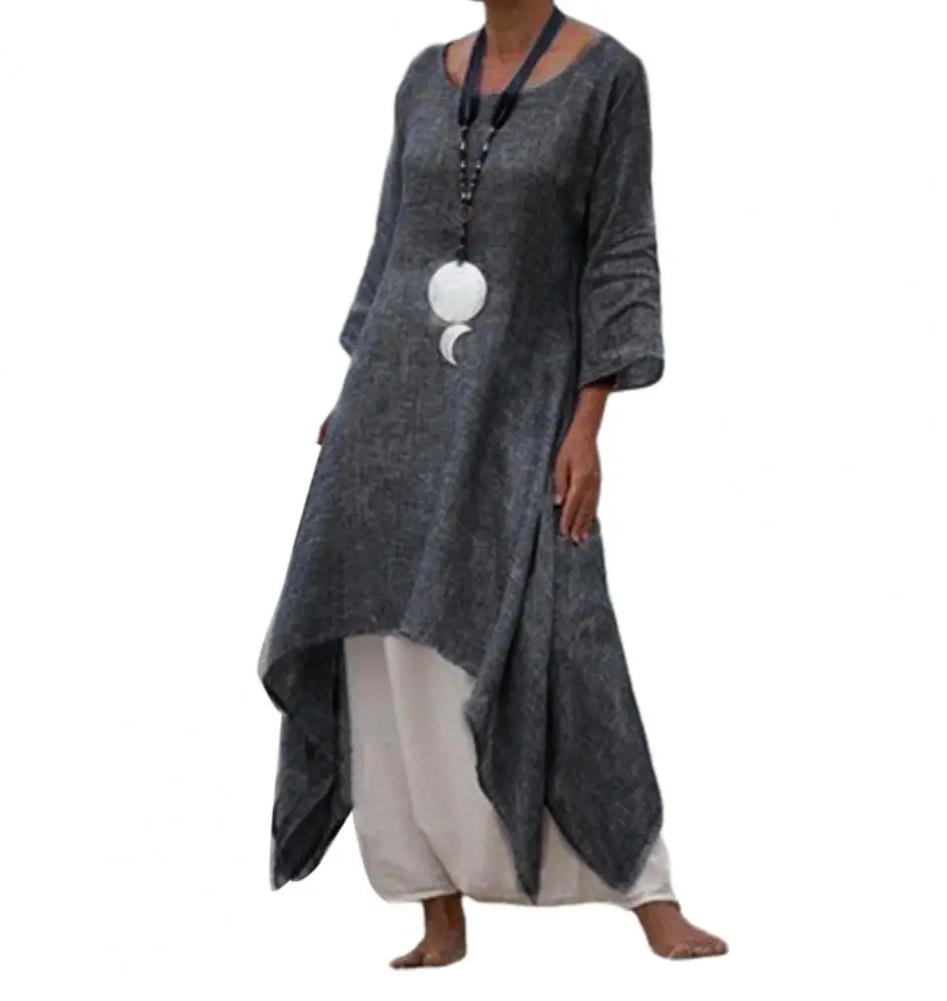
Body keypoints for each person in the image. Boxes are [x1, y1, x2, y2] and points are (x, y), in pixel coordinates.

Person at [258, 0, 727, 967]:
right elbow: (393, 243)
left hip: (521, 405)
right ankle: (432, 904)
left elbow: (619, 249)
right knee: (382, 647)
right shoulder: (422, 78)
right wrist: (353, 394)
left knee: (559, 632)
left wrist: (588, 421)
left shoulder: (606, 78)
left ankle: (645, 885)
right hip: (389, 409)